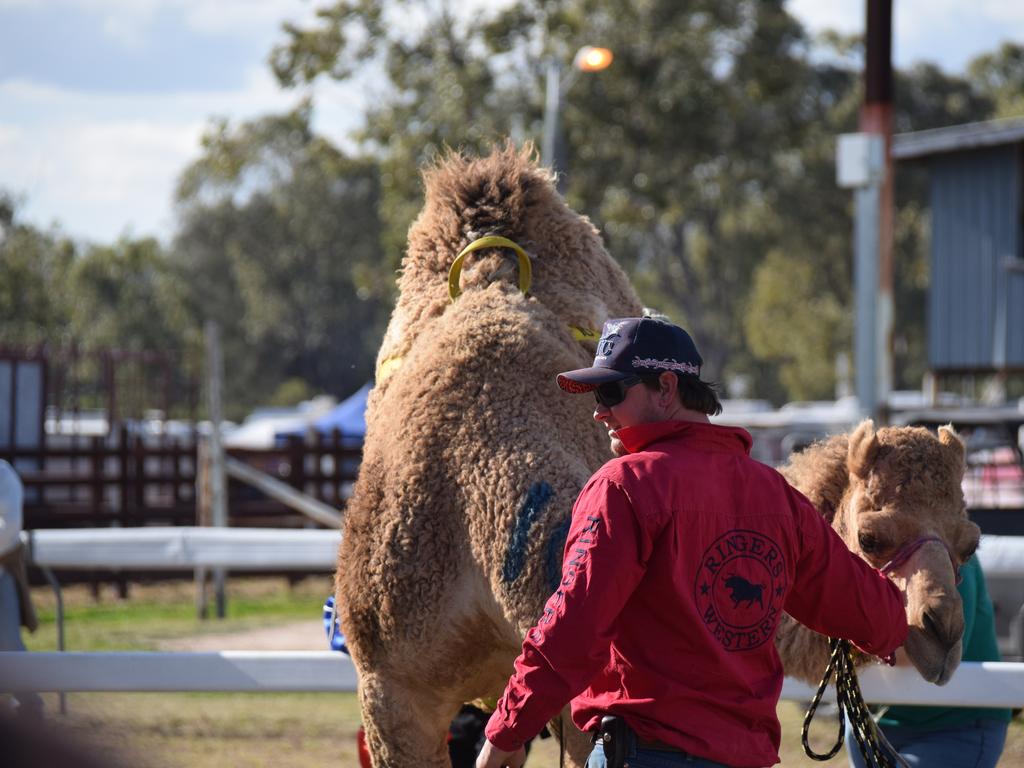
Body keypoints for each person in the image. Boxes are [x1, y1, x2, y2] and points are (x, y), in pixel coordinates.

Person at [476, 316, 909, 768]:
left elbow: (573, 624)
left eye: (610, 392)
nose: (599, 411)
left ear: (665, 387)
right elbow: (873, 613)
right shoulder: (775, 495)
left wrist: (508, 730)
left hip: (643, 752)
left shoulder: (623, 486)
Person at [844, 554, 1011, 768]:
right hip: (872, 719)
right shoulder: (864, 548)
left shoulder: (954, 553)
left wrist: (841, 633)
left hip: (956, 726)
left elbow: (936, 648)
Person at [0, 459, 43, 719]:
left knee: (9, 643)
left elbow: (9, 526)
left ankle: (27, 702)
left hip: (1, 573)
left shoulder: (3, 474)